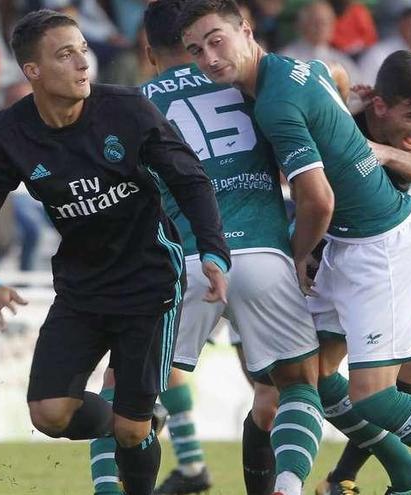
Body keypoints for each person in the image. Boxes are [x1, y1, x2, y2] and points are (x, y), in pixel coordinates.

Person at [179, 2, 411, 495]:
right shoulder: (295, 70)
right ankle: (408, 478)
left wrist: (292, 254)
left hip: (382, 247)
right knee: (309, 372)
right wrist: (338, 89)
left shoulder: (274, 102)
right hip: (350, 245)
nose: (208, 57)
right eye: (196, 50)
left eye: (217, 40)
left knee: (373, 397)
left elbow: (318, 200)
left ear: (246, 31)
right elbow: (328, 72)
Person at [0, 9, 230, 495]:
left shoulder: (127, 110)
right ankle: (133, 421)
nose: (83, 63)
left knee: (131, 430)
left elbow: (190, 179)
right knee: (50, 415)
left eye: (83, 49)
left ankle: (136, 430)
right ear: (32, 72)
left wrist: (213, 252)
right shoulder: (9, 133)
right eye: (65, 54)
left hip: (150, 285)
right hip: (82, 290)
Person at [87, 2, 323, 494]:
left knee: (121, 391)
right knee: (299, 382)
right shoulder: (247, 84)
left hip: (186, 261)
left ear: (148, 51)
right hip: (263, 255)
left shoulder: (133, 103)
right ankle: (288, 486)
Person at [315, 49, 411, 495]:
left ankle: (345, 477)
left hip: (384, 256)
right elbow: (324, 73)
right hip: (331, 252)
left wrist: (385, 153)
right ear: (379, 104)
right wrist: (338, 82)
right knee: (318, 373)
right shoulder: (344, 121)